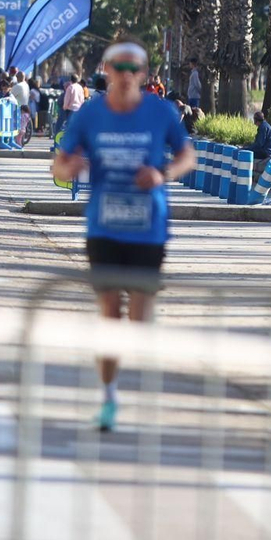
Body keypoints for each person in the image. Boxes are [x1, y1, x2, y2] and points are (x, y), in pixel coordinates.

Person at [52, 41, 196, 433]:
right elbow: (60, 166)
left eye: (134, 67)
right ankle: (109, 395)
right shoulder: (90, 113)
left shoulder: (160, 111)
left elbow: (187, 156)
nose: (126, 73)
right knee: (110, 314)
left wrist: (162, 175)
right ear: (107, 70)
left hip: (149, 228)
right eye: (119, 66)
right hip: (104, 227)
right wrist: (70, 167)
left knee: (139, 317)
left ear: (144, 74)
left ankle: (135, 383)